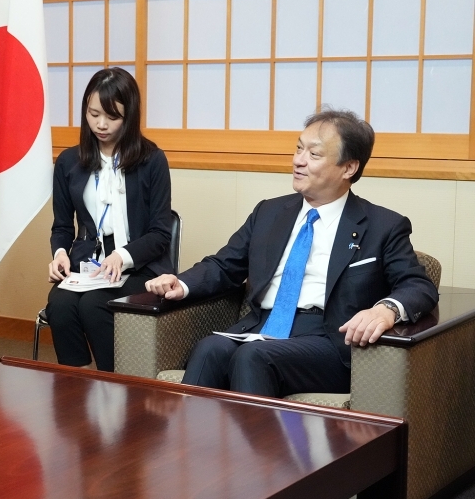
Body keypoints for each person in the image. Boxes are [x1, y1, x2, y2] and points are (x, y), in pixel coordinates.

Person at [145, 109, 438, 398]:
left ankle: (260, 448)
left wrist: (385, 310)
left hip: (327, 340)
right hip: (263, 326)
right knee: (209, 349)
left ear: (348, 168)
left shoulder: (382, 226)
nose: (298, 161)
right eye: (298, 149)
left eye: (314, 155)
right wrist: (181, 284)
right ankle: (187, 444)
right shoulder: (269, 212)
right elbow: (224, 265)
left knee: (253, 356)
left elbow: (418, 285)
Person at [47, 67, 175, 371]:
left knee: (95, 307)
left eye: (112, 117)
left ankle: (115, 384)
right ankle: (75, 384)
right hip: (89, 269)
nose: (101, 125)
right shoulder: (69, 162)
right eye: (93, 114)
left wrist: (122, 256)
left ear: (128, 117)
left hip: (141, 267)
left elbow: (160, 233)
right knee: (60, 305)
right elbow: (63, 226)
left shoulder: (152, 161)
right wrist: (60, 254)